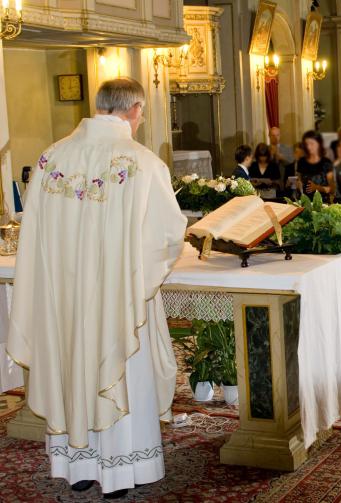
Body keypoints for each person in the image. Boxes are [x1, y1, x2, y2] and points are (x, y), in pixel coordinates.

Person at [7, 78, 187, 498]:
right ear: (136, 109)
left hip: (64, 300)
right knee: (118, 370)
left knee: (73, 370)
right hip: (115, 300)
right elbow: (166, 235)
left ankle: (80, 468)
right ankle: (121, 473)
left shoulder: (53, 157)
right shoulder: (141, 162)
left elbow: (34, 231)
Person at [296, 130, 335, 198]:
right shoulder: (301, 161)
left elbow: (332, 189)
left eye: (312, 144)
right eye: (307, 144)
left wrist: (317, 188)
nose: (309, 147)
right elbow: (299, 179)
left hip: (322, 203)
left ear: (319, 144)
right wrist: (298, 184)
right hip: (304, 202)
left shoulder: (326, 162)